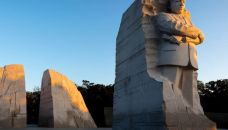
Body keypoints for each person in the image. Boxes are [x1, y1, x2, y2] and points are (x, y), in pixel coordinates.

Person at [156, 0, 204, 112]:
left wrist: (183, 38)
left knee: (189, 92)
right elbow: (173, 26)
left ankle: (191, 114)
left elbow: (200, 38)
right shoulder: (163, 16)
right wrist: (196, 31)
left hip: (191, 58)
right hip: (172, 56)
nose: (182, 4)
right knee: (170, 88)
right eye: (178, 1)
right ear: (170, 4)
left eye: (184, 2)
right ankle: (172, 114)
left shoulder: (188, 21)